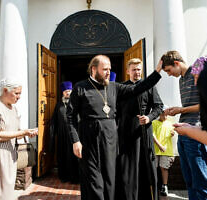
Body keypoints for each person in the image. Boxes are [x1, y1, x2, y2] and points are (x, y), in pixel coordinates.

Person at [67, 54, 163, 200]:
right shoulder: (81, 88)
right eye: (105, 69)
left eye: (109, 69)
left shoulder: (114, 87)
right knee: (94, 181)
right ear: (93, 69)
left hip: (111, 142)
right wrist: (75, 141)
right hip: (89, 141)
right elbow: (70, 116)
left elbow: (137, 89)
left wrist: (156, 73)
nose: (108, 72)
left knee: (110, 181)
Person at [161, 51, 207, 200]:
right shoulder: (181, 80)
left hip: (197, 133)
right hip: (183, 133)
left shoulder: (197, 73)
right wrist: (176, 110)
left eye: (168, 70)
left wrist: (181, 109)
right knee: (190, 181)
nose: (168, 74)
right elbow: (190, 105)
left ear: (177, 64)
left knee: (202, 182)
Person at [115, 58, 163, 200]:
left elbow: (159, 106)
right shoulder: (121, 88)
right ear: (128, 71)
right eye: (134, 69)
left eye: (139, 69)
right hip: (125, 132)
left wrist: (149, 117)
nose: (137, 72)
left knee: (144, 165)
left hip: (143, 132)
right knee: (126, 165)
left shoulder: (149, 86)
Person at [50, 81, 79, 183]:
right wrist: (52, 137)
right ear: (62, 92)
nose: (68, 93)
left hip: (74, 135)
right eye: (66, 91)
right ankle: (64, 176)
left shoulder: (76, 103)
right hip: (62, 135)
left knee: (74, 157)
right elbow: (54, 121)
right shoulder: (58, 105)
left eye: (70, 91)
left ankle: (75, 177)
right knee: (63, 156)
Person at [152, 110, 175, 197]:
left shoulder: (170, 123)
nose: (165, 116)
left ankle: (164, 186)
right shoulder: (154, 122)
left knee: (164, 168)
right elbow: (152, 135)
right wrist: (160, 146)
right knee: (154, 168)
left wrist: (173, 134)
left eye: (166, 115)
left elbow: (172, 133)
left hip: (167, 150)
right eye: (163, 114)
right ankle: (154, 185)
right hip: (156, 149)